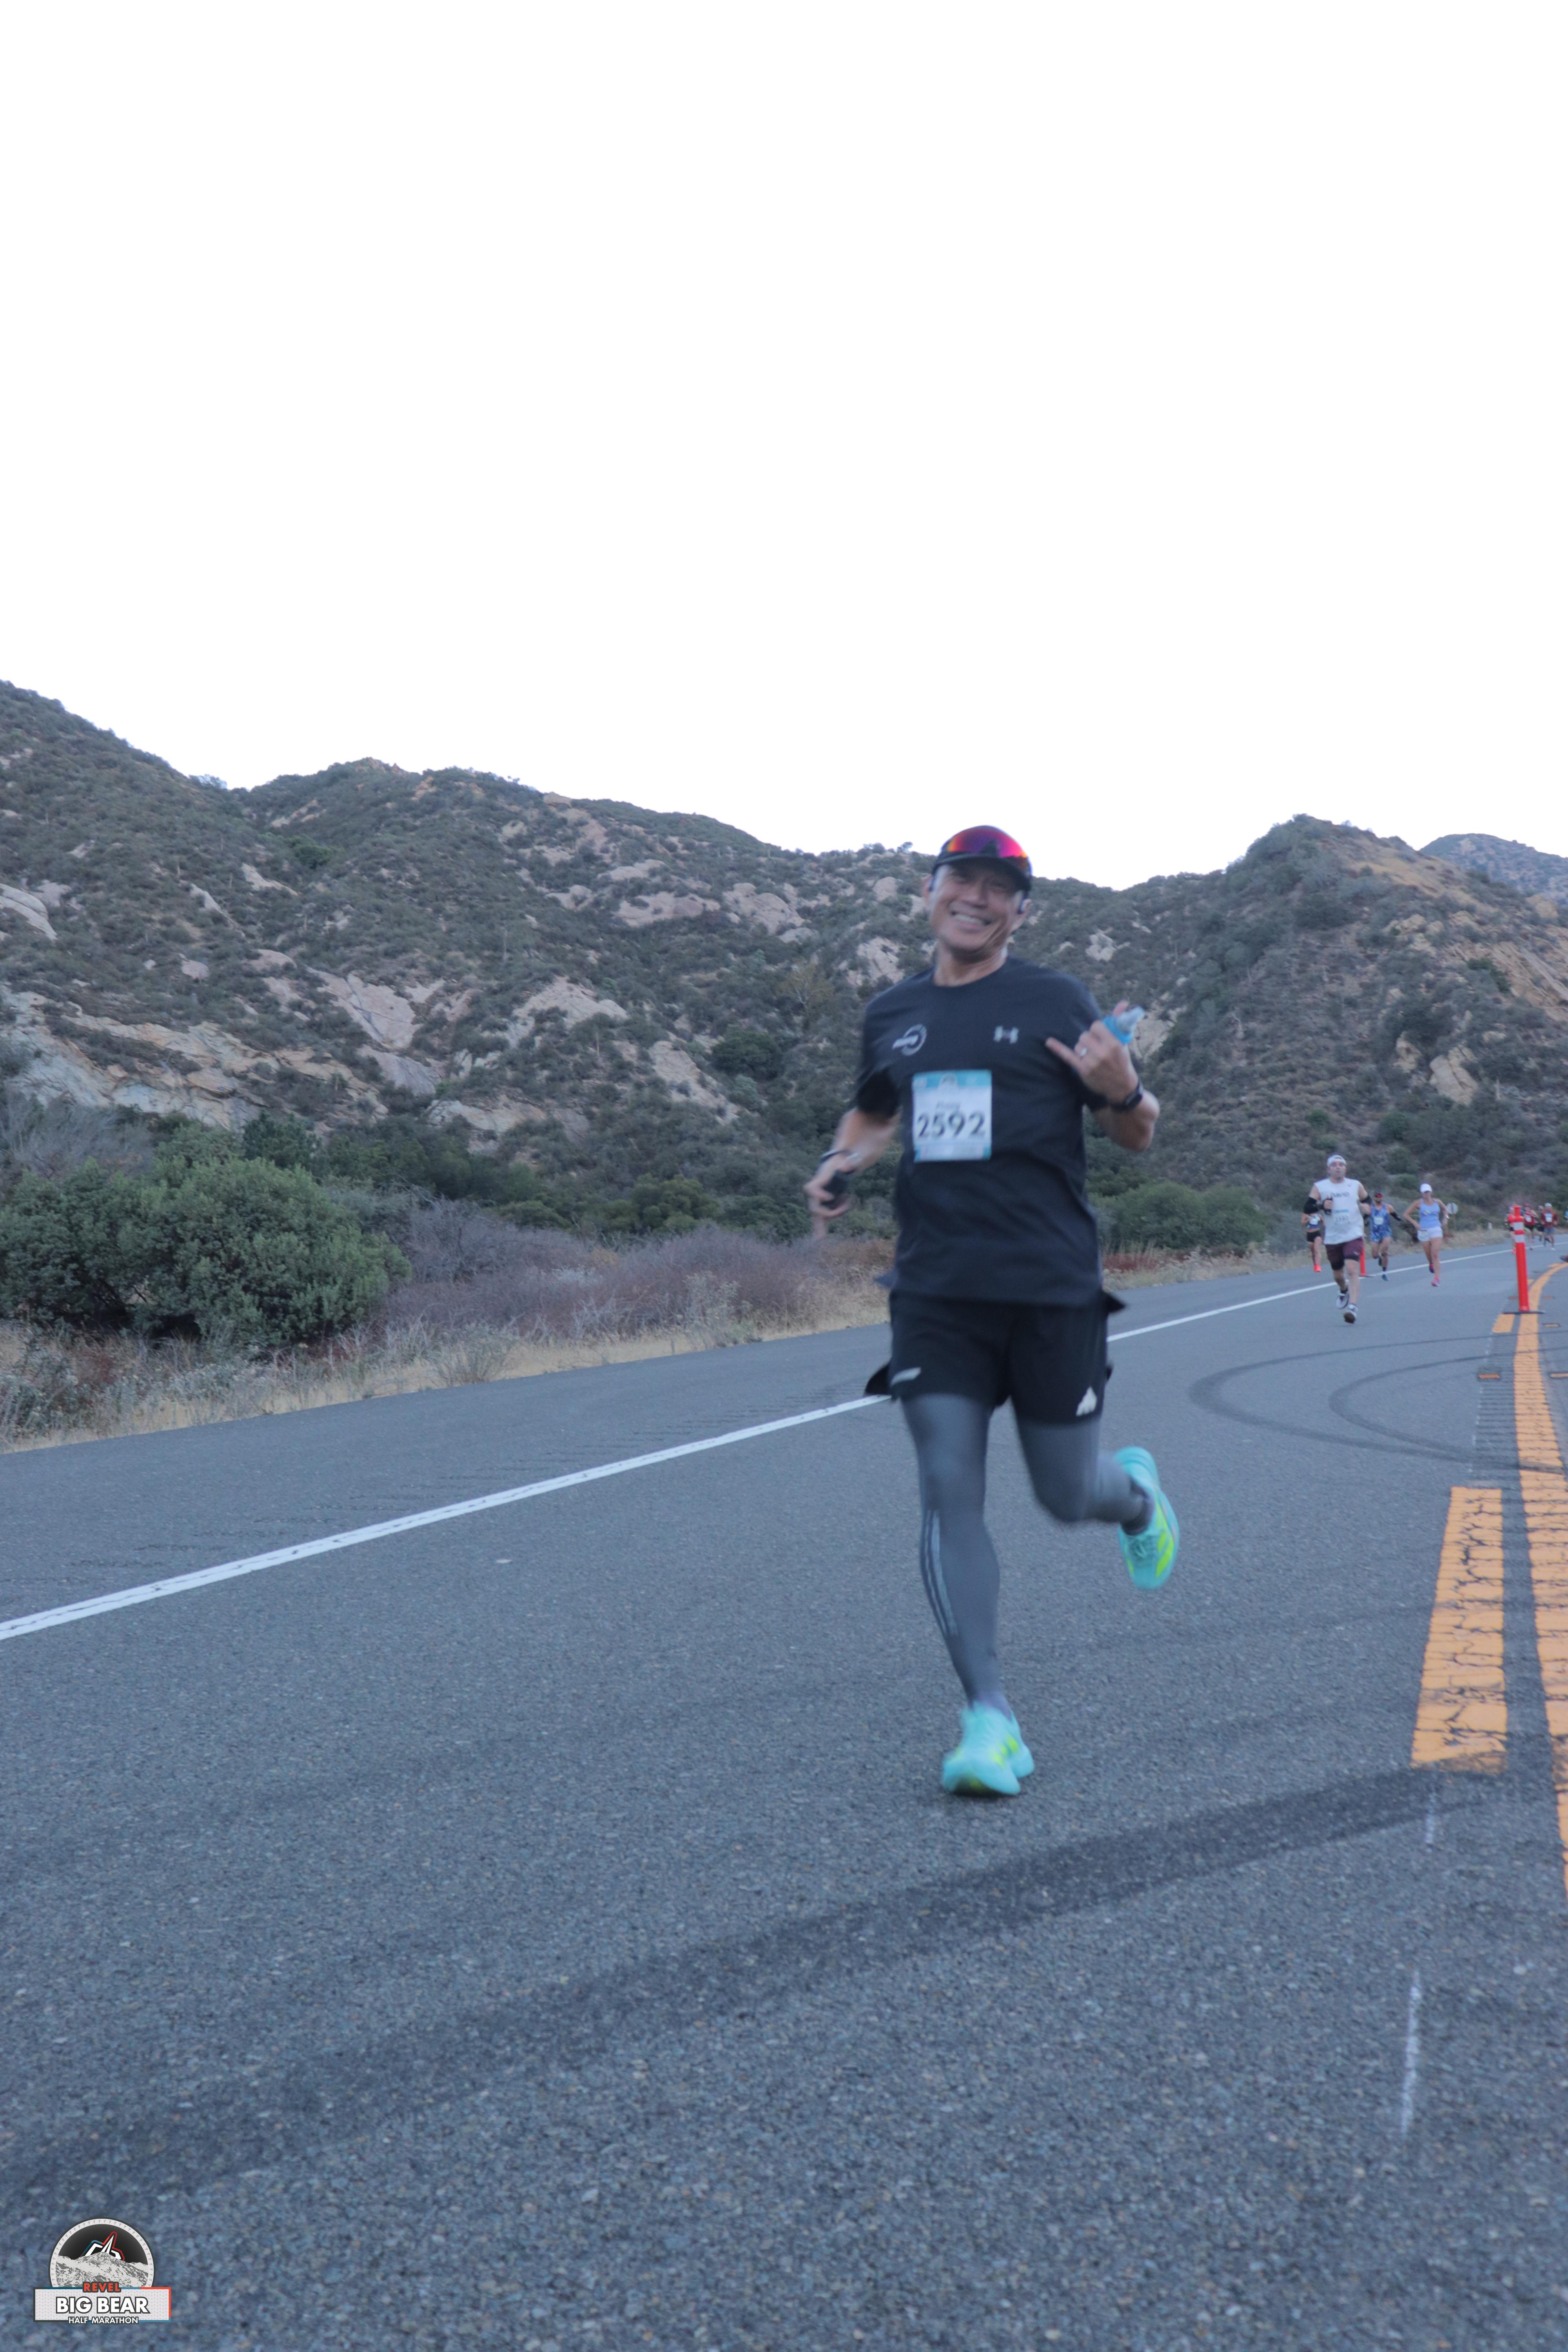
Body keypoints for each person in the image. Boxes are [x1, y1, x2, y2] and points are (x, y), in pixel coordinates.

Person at [804, 823, 1178, 1799]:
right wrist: (842, 1160)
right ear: (929, 892)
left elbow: (1136, 1133)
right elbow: (875, 1109)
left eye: (996, 887)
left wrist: (1124, 1089)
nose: (974, 897)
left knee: (1067, 1493)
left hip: (1049, 1285)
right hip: (934, 1289)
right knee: (946, 1485)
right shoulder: (893, 1013)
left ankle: (1134, 1497)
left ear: (1020, 910)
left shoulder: (1053, 1000)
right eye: (959, 879)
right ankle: (987, 1715)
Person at [1308, 1152, 1370, 1323]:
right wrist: (1322, 1205)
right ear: (1329, 1169)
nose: (1338, 1167)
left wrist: (1367, 1209)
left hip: (1354, 1233)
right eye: (1334, 1165)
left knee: (1352, 1269)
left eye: (1341, 1165)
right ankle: (1344, 1290)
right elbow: (1308, 1207)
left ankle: (1353, 1308)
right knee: (1338, 1274)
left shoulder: (1355, 1185)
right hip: (1333, 1237)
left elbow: (1368, 1200)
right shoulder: (1320, 1187)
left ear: (1346, 1169)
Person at [1405, 1181, 1449, 1283]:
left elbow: (1446, 1210)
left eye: (1428, 1192)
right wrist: (1415, 1223)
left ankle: (1437, 1279)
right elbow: (1406, 1214)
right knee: (1428, 1252)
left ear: (1431, 1192)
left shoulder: (1437, 1202)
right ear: (1422, 1193)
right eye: (1425, 1192)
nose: (1427, 1194)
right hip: (1424, 1230)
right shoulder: (1418, 1203)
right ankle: (1431, 1263)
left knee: (1436, 1254)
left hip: (1436, 1229)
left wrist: (1446, 1219)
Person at [1368, 1189, 1394, 1279]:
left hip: (1386, 1232)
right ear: (1374, 1198)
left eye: (1380, 1196)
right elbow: (1365, 1217)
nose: (1379, 1197)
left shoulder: (1388, 1207)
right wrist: (1365, 1223)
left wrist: (1399, 1219)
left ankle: (1384, 1273)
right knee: (1374, 1255)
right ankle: (1379, 1258)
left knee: (1385, 1252)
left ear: (1382, 1197)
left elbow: (1395, 1215)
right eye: (1377, 1196)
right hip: (1375, 1233)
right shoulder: (1371, 1208)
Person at [1302, 1195, 1325, 1273]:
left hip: (1317, 1233)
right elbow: (1302, 1223)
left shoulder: (1319, 1215)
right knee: (1313, 1252)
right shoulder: (1306, 1214)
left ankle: (1318, 1266)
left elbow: (1324, 1223)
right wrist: (1308, 1219)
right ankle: (1315, 1265)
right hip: (1309, 1234)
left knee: (1317, 1250)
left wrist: (1324, 1222)